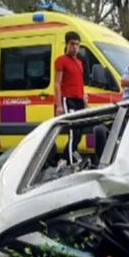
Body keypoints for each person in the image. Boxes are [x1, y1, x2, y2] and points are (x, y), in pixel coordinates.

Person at [55, 31, 87, 162]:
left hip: (79, 100)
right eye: (72, 44)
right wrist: (59, 105)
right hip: (68, 99)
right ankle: (71, 163)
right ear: (67, 44)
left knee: (79, 133)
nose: (75, 47)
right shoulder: (61, 60)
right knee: (73, 132)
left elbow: (80, 82)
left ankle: (64, 159)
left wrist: (85, 101)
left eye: (77, 45)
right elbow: (57, 83)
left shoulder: (79, 63)